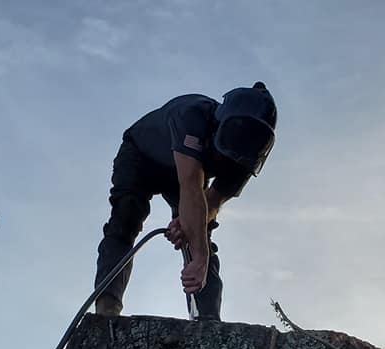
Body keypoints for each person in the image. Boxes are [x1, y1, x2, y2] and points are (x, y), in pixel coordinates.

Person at [93, 82, 277, 321]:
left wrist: (187, 225)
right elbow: (191, 185)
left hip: (185, 174)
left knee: (200, 234)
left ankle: (207, 319)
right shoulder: (192, 115)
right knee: (126, 217)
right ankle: (107, 308)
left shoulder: (244, 161)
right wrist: (199, 257)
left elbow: (210, 204)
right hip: (141, 156)